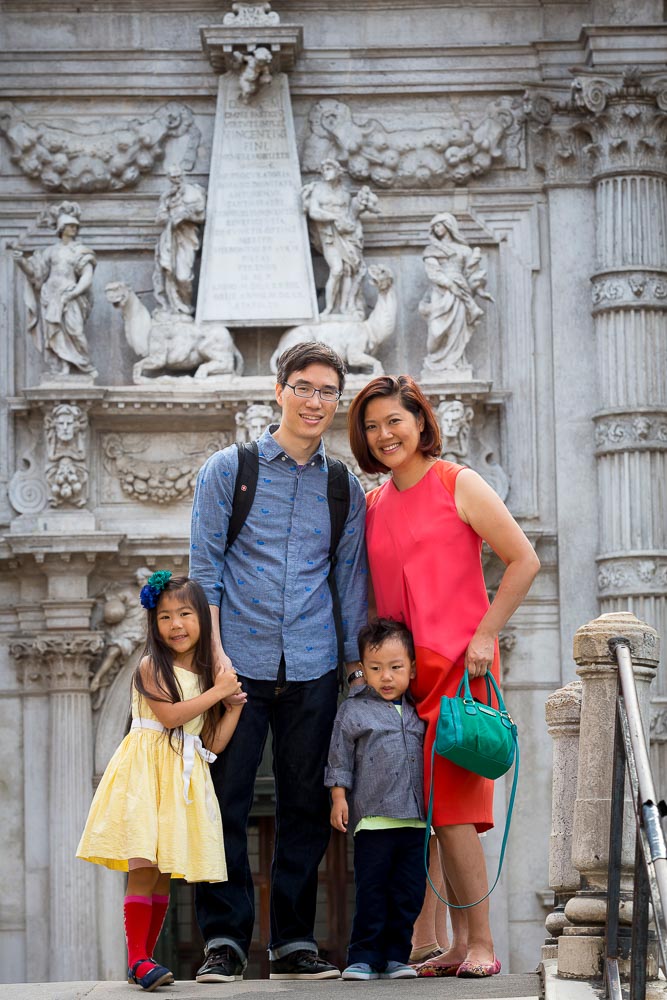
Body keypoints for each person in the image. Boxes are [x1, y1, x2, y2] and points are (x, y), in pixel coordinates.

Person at [347, 374, 540, 979]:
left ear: (421, 423)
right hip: (401, 682)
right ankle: (450, 944)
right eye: (372, 426)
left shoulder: (460, 483)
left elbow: (523, 560)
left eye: (394, 422)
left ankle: (481, 943)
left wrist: (486, 633)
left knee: (454, 812)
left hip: (462, 669)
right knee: (420, 815)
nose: (384, 435)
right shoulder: (373, 504)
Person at [189, 342, 368, 982]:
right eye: (304, 387)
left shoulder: (343, 486)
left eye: (327, 391)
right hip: (238, 665)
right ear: (279, 390)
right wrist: (215, 659)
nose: (315, 401)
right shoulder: (226, 471)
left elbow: (349, 583)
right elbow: (204, 573)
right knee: (226, 801)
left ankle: (294, 940)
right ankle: (225, 941)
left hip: (316, 663)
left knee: (305, 805)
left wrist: (354, 671)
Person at [76, 572, 244, 992]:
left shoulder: (206, 678)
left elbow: (211, 743)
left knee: (162, 870)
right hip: (144, 773)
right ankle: (136, 957)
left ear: (203, 619)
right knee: (142, 864)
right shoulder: (152, 665)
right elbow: (170, 717)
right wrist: (217, 690)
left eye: (185, 614)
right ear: (154, 624)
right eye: (165, 616)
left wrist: (233, 706)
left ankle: (144, 960)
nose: (176, 625)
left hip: (179, 778)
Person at [325, 618, 426, 981]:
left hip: (415, 822)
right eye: (376, 668)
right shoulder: (353, 710)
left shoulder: (420, 709)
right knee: (372, 891)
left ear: (411, 668)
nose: (386, 677)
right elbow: (338, 757)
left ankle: (397, 957)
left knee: (408, 894)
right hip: (373, 820)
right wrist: (339, 797)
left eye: (396, 668)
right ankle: (363, 956)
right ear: (363, 670)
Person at [10, 201, 97, 375]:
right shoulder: (50, 251)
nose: (74, 228)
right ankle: (62, 366)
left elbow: (87, 277)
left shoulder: (80, 250)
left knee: (76, 331)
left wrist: (74, 293)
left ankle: (85, 365)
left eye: (75, 226)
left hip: (72, 294)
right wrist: (21, 261)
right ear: (61, 227)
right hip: (51, 296)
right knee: (55, 334)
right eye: (70, 225)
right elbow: (36, 274)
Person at [418, 212, 492, 376]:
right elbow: (433, 273)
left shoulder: (464, 250)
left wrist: (479, 289)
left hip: (461, 292)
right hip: (441, 293)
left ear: (448, 225)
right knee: (436, 331)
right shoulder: (432, 250)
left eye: (439, 225)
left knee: (457, 328)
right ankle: (437, 361)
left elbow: (472, 274)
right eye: (434, 227)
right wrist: (450, 285)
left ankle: (454, 362)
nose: (436, 229)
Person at [152, 165, 207, 315]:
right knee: (170, 273)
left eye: (178, 176)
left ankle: (187, 307)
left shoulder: (194, 192)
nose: (177, 180)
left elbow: (202, 217)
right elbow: (158, 219)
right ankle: (177, 309)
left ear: (183, 175)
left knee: (183, 276)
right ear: (168, 178)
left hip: (188, 237)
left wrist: (184, 216)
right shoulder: (167, 196)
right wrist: (168, 215)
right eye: (173, 177)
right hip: (170, 237)